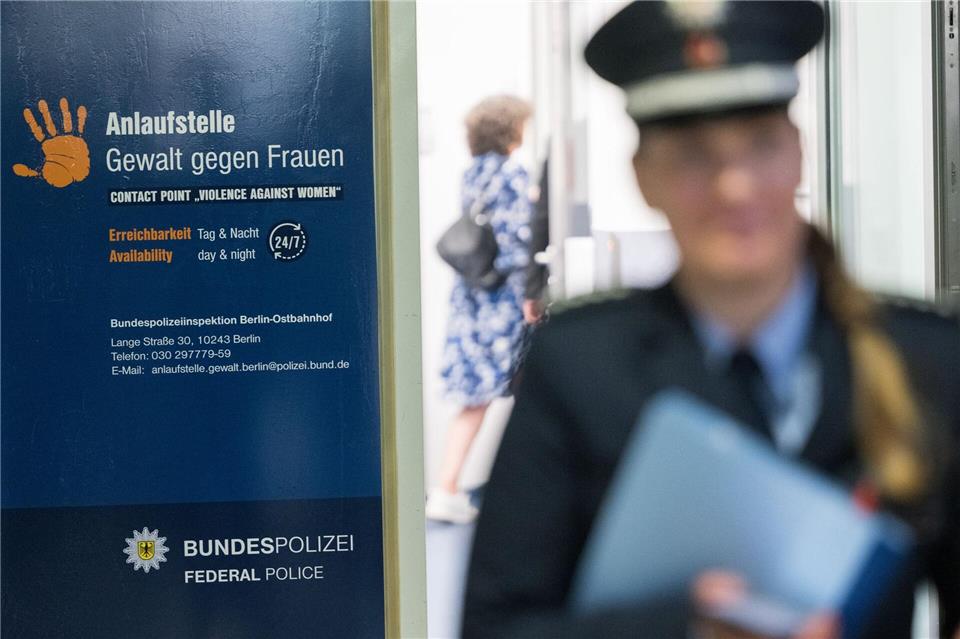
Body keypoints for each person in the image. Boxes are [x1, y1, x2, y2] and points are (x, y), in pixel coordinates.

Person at [462, 2, 959, 638]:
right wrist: (680, 628)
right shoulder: (580, 369)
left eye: (760, 144)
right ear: (644, 178)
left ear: (798, 154)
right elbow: (495, 626)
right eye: (694, 155)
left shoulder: (925, 358)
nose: (735, 186)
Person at [427, 95, 534, 524]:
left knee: (475, 396)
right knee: (511, 393)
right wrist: (532, 294)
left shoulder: (472, 174)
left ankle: (448, 487)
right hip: (502, 302)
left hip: (471, 296)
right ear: (512, 131)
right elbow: (515, 244)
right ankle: (454, 489)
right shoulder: (512, 176)